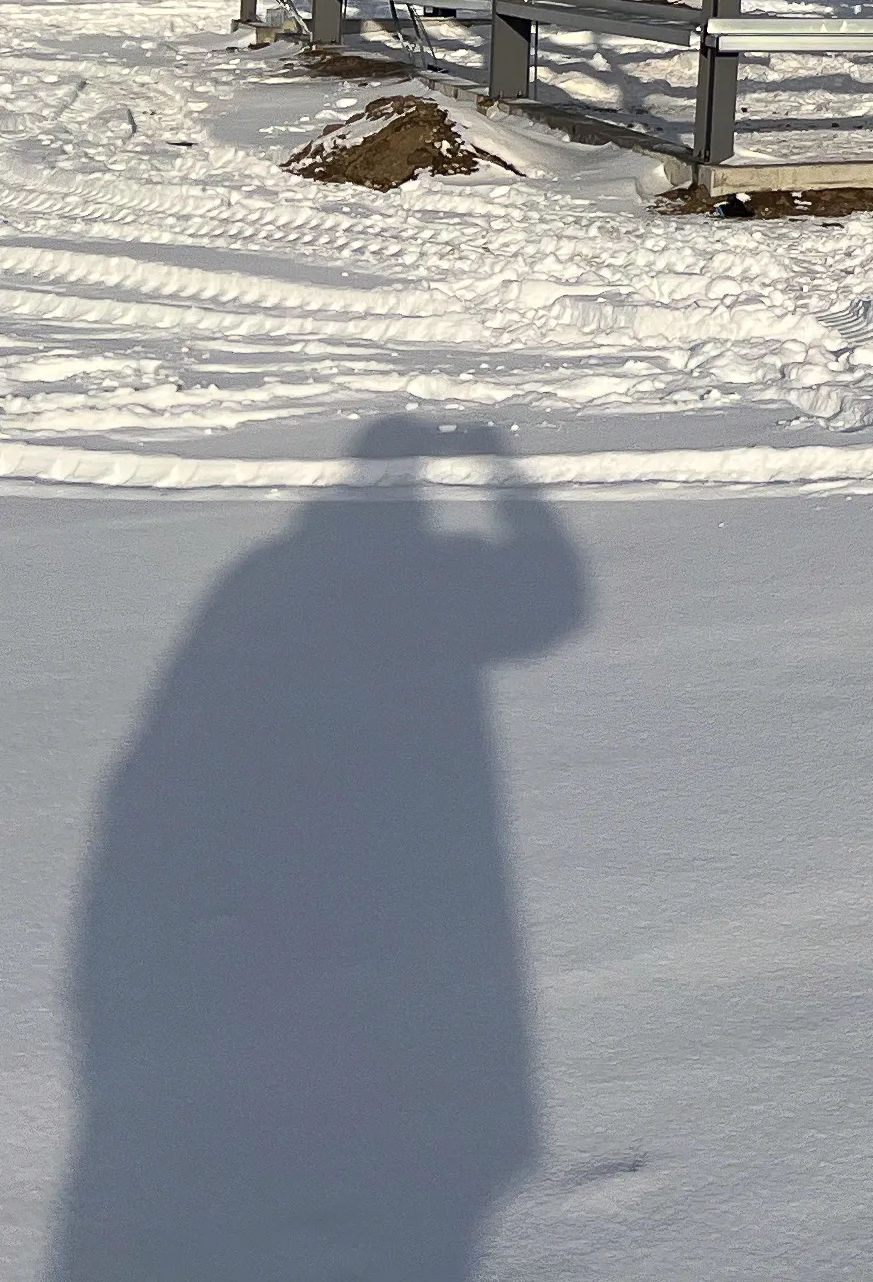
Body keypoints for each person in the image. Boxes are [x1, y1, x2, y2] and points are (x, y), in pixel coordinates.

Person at [54, 416, 588, 1280]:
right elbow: (550, 604)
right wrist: (504, 475)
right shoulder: (408, 582)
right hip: (379, 876)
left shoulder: (263, 579)